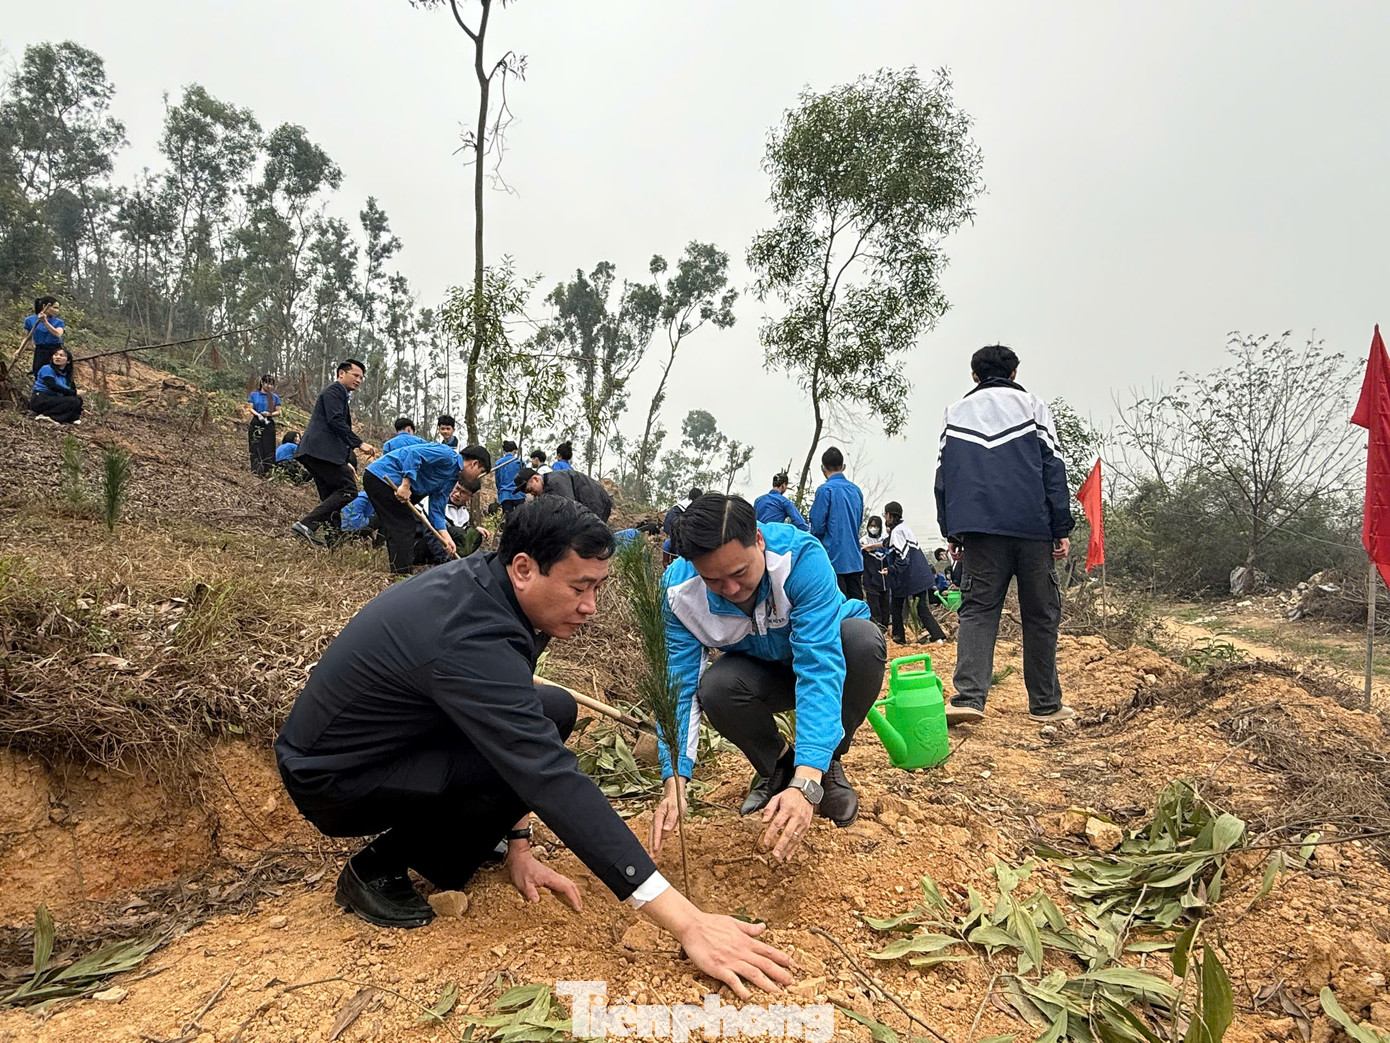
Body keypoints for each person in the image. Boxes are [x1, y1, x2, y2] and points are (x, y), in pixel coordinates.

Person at [274, 497, 794, 996]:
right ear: (525, 568)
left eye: (598, 588)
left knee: (554, 710)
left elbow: (521, 728)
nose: (590, 607)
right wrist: (686, 922)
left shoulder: (495, 588)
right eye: (579, 588)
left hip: (402, 741)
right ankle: (375, 870)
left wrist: (518, 843)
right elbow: (547, 774)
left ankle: (479, 840)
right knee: (528, 751)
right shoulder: (468, 635)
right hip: (336, 779)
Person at [652, 493, 886, 845]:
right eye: (713, 581)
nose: (730, 589)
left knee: (862, 642)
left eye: (739, 572)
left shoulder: (799, 559)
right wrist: (674, 784)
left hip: (828, 654)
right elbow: (678, 687)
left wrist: (807, 783)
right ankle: (778, 767)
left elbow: (819, 668)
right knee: (716, 687)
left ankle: (827, 764)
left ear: (758, 540)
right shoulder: (678, 594)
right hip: (760, 673)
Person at [935, 344, 1074, 726]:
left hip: (981, 532)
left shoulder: (955, 413)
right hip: (1032, 527)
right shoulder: (1034, 406)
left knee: (978, 611)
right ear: (1013, 373)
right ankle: (1045, 705)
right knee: (1041, 614)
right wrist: (1060, 527)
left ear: (975, 376)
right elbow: (1052, 469)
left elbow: (944, 478)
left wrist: (952, 531)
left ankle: (969, 698)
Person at [363, 442, 491, 574]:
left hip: (394, 486)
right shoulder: (447, 455)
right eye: (480, 472)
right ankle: (401, 575)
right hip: (382, 477)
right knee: (403, 526)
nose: (477, 477)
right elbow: (414, 455)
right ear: (474, 464)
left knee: (400, 526)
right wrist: (406, 485)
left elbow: (436, 507)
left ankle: (399, 571)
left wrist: (445, 536)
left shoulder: (451, 478)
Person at [292, 360, 376, 545]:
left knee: (331, 496)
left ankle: (333, 542)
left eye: (361, 377)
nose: (359, 380)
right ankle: (307, 524)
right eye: (355, 375)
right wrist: (359, 443)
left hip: (318, 452)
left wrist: (345, 460)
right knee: (348, 490)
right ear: (341, 374)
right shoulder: (334, 391)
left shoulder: (340, 395)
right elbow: (335, 421)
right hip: (320, 451)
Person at [881, 501, 946, 645]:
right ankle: (938, 636)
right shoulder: (904, 528)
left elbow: (903, 557)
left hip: (909, 577)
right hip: (921, 574)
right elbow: (888, 543)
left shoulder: (897, 532)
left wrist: (890, 569)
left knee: (896, 607)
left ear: (890, 516)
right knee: (922, 607)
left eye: (885, 514)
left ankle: (899, 640)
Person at [809, 446, 865, 600]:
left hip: (832, 560)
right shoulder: (856, 491)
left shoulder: (825, 491)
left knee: (837, 608)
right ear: (843, 466)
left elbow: (817, 527)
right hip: (854, 560)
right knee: (857, 607)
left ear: (822, 468)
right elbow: (858, 522)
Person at [516, 465, 612, 523]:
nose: (532, 494)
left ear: (536, 479)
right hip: (591, 504)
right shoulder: (548, 485)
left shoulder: (555, 482)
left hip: (596, 502)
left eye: (530, 489)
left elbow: (568, 509)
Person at [30, 346, 83, 424]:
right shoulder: (47, 369)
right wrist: (74, 393)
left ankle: (63, 418)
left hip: (54, 399)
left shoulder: (66, 375)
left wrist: (80, 407)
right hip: (41, 398)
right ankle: (48, 415)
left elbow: (71, 390)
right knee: (73, 401)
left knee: (78, 400)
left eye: (61, 355)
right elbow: (52, 386)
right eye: (56, 355)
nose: (57, 357)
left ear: (68, 361)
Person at [247, 374, 281, 476]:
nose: (269, 386)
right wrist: (258, 414)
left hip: (268, 422)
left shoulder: (274, 397)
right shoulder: (254, 395)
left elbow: (278, 411)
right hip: (257, 421)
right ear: (262, 382)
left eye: (271, 384)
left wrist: (269, 414)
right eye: (267, 383)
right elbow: (250, 408)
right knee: (255, 444)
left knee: (269, 446)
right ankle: (256, 470)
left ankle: (268, 470)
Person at [860, 516, 889, 629]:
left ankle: (886, 626)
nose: (873, 528)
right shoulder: (864, 540)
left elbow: (887, 551)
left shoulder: (884, 540)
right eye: (871, 526)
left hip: (885, 581)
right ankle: (877, 628)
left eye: (876, 526)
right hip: (871, 580)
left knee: (885, 606)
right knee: (874, 606)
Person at [24, 296, 65, 375]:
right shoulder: (30, 320)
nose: (57, 311)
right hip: (40, 351)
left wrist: (45, 322)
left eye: (58, 308)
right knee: (39, 373)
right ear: (44, 306)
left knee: (57, 374)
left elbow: (58, 334)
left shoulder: (58, 322)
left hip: (56, 350)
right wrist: (19, 351)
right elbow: (27, 338)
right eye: (55, 308)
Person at [494, 440, 525, 518]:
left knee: (508, 519)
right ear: (515, 450)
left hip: (505, 495)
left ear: (504, 451)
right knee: (521, 519)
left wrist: (500, 492)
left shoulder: (498, 463)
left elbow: (497, 481)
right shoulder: (520, 463)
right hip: (519, 495)